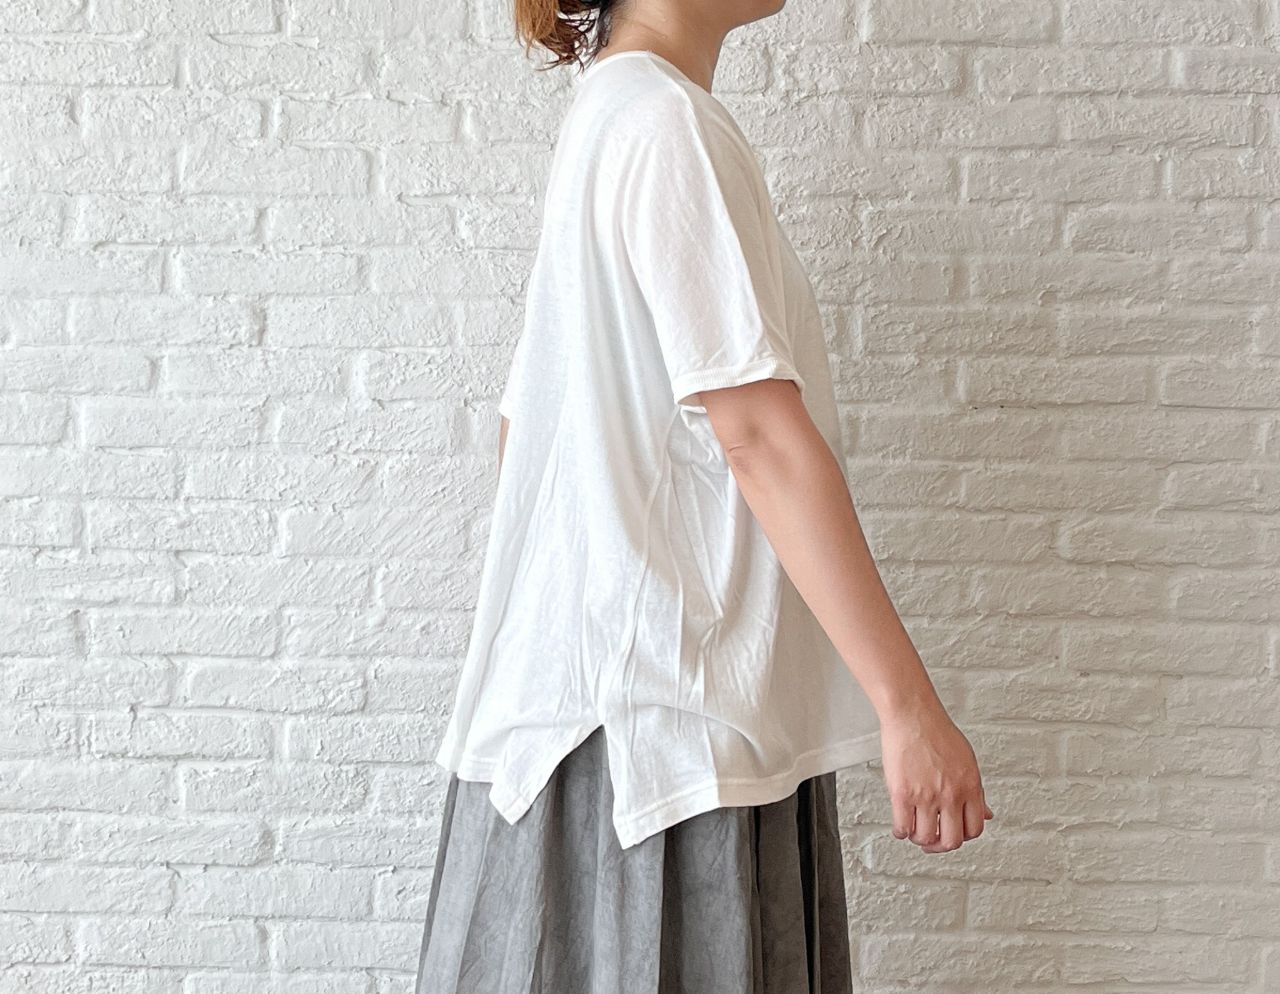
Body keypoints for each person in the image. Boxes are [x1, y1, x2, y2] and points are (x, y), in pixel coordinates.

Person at [416, 1, 994, 991]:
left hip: (603, 728)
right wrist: (906, 708)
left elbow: (526, 431)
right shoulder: (663, 124)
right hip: (669, 748)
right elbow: (757, 434)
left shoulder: (611, 114)